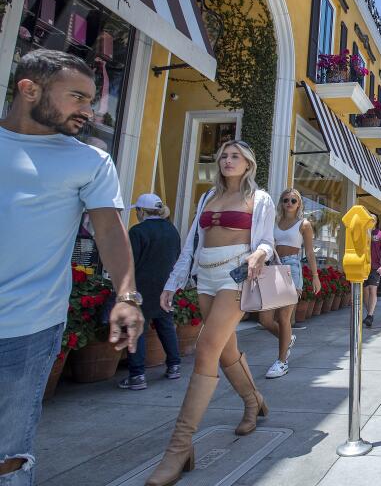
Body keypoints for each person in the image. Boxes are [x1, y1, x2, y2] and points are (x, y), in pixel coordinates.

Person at [0, 50, 143, 485]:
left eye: (92, 98)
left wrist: (126, 296)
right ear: (30, 90)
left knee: (8, 453)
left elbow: (109, 231)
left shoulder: (90, 160)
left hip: (27, 328)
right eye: (77, 97)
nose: (90, 110)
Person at [148, 140, 275, 486]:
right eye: (223, 156)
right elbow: (191, 242)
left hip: (237, 278)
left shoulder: (259, 198)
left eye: (236, 156)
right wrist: (173, 282)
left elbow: (267, 241)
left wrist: (259, 254)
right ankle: (254, 402)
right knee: (225, 351)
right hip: (205, 276)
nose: (228, 160)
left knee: (205, 349)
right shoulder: (207, 197)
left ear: (248, 164)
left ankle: (178, 448)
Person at [119, 194, 182, 390]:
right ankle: (174, 365)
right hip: (165, 286)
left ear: (141, 211)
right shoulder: (171, 230)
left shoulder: (137, 231)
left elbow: (129, 262)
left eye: (137, 210)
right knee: (166, 325)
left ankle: (137, 375)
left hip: (140, 286)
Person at [259, 188, 320, 378]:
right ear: (281, 202)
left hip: (292, 267)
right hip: (272, 267)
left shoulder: (304, 224)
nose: (289, 203)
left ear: (299, 204)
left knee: (284, 318)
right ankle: (287, 339)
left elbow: (309, 253)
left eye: (293, 200)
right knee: (265, 320)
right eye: (286, 200)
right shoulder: (274, 222)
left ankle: (282, 362)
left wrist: (315, 275)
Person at [363, 223, 381, 328]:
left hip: (375, 267)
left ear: (375, 222)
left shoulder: (380, 235)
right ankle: (370, 314)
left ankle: (370, 315)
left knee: (372, 289)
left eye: (372, 219)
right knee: (365, 291)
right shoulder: (363, 232)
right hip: (362, 266)